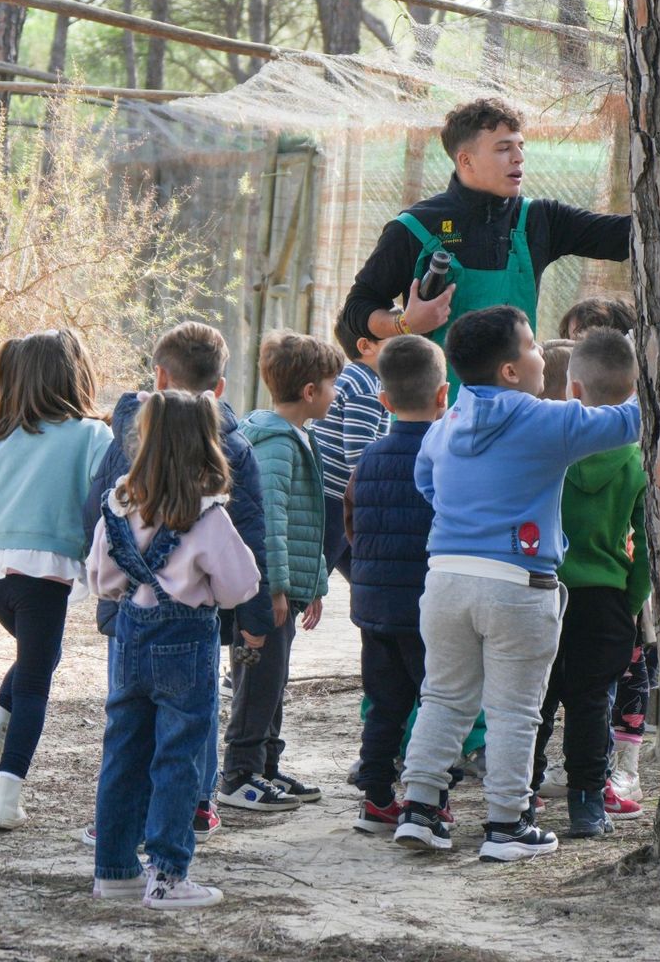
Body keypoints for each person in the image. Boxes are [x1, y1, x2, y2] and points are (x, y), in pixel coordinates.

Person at [391, 305, 641, 862]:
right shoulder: (543, 420)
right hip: (518, 584)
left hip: (446, 579)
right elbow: (630, 421)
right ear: (509, 370)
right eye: (531, 347)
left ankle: (420, 807)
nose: (539, 356)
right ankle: (507, 823)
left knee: (444, 697)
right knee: (513, 710)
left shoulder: (445, 425)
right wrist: (653, 360)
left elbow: (426, 482)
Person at [79, 321, 273, 845]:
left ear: (159, 377)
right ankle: (187, 821)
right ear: (220, 390)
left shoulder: (123, 460)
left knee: (124, 734)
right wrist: (254, 623)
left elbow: (93, 533)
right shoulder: (230, 459)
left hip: (127, 619)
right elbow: (248, 552)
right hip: (189, 628)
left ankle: (114, 842)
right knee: (187, 732)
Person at [339, 98, 629, 393]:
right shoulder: (414, 228)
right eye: (503, 148)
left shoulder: (539, 219)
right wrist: (405, 323)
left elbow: (626, 237)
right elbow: (357, 308)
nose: (518, 157)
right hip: (435, 418)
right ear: (466, 160)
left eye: (520, 146)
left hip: (515, 413)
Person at [0, 329, 112, 831]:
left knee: (36, 658)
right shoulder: (92, 434)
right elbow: (104, 497)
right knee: (36, 682)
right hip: (43, 573)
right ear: (76, 375)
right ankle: (5, 795)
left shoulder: (3, 437)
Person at [531, 329, 650, 837]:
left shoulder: (547, 454)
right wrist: (631, 598)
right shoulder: (636, 462)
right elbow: (645, 543)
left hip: (542, 592)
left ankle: (522, 798)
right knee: (591, 705)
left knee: (533, 704)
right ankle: (586, 805)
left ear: (571, 390)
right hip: (605, 602)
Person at [220, 331, 343, 811]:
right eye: (333, 385)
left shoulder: (294, 438)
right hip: (264, 592)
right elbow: (269, 522)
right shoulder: (274, 445)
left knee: (274, 678)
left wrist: (308, 585)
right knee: (257, 679)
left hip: (283, 589)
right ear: (310, 392)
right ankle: (239, 774)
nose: (336, 394)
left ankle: (266, 766)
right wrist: (273, 587)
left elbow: (303, 520)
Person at [344, 335, 449, 833]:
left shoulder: (368, 459)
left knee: (384, 705)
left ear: (383, 400)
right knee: (436, 701)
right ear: (443, 395)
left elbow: (352, 523)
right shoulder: (447, 457)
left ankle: (376, 797)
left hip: (374, 604)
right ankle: (430, 797)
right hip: (426, 604)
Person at [310, 320, 386, 582]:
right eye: (397, 338)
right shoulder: (366, 385)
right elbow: (359, 455)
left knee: (366, 575)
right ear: (366, 346)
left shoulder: (357, 377)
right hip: (334, 498)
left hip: (332, 493)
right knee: (310, 580)